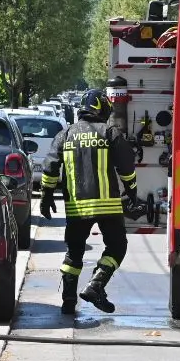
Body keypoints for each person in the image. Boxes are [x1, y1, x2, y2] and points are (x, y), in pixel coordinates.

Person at [38, 88, 139, 316]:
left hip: (76, 207)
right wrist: (132, 191)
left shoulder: (65, 134)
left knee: (74, 253)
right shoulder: (110, 132)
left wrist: (46, 196)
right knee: (117, 246)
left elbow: (50, 166)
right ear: (101, 108)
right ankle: (96, 285)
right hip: (108, 206)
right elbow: (126, 165)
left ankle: (68, 300)